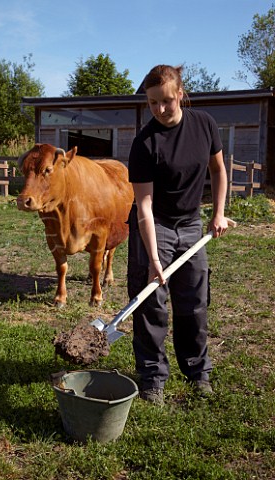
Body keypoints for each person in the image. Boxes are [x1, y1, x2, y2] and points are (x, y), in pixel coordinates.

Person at [127, 64, 228, 405]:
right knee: (151, 302)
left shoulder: (204, 125)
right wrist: (154, 260)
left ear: (180, 94)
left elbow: (219, 170)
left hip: (191, 223)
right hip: (154, 223)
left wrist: (218, 213)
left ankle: (197, 371)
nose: (160, 109)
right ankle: (153, 377)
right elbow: (143, 206)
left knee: (194, 300)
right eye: (152, 103)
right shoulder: (144, 142)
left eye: (166, 101)